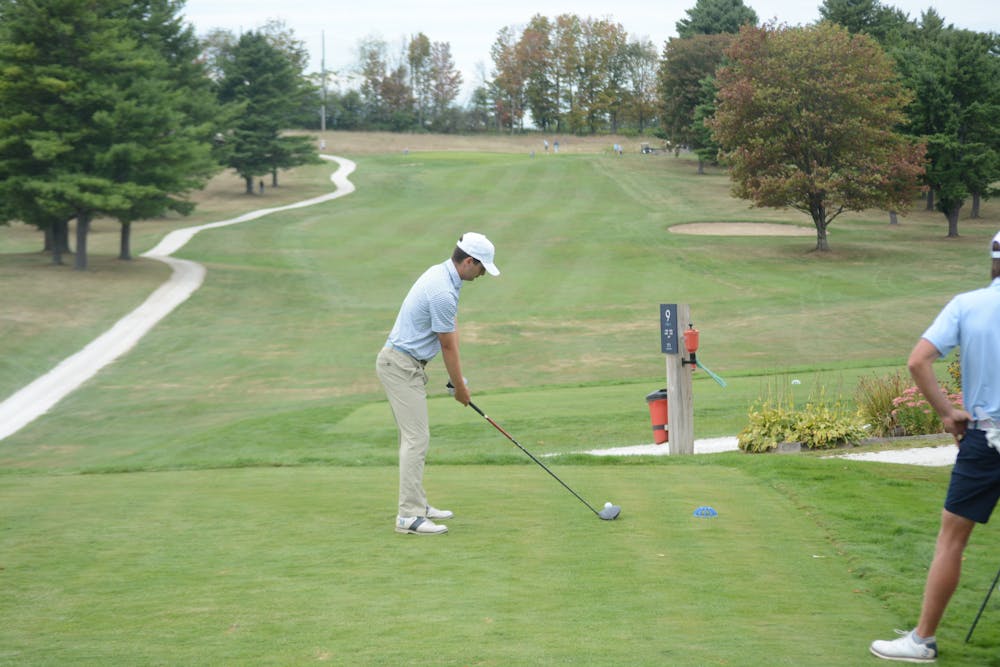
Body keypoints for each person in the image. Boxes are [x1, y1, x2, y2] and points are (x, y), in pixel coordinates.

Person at [870, 230, 1000, 662]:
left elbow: (917, 360)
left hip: (985, 437)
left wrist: (948, 413)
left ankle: (922, 640)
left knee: (952, 540)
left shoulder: (967, 304)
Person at [376, 233, 500, 535]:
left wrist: (457, 380)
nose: (483, 274)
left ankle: (417, 502)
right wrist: (460, 388)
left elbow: (449, 333)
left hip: (406, 364)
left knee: (416, 438)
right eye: (482, 267)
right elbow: (448, 346)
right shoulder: (443, 290)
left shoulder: (442, 275)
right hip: (400, 366)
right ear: (469, 261)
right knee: (416, 439)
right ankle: (409, 516)